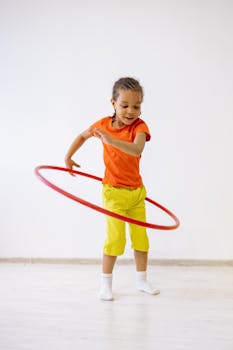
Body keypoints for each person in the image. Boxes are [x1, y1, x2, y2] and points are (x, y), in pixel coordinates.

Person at [65, 77, 160, 301]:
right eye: (124, 105)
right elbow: (82, 135)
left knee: (141, 239)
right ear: (113, 103)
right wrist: (69, 156)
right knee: (115, 240)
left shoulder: (140, 127)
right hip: (113, 192)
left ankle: (141, 280)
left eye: (136, 106)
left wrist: (109, 140)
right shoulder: (103, 125)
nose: (131, 111)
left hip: (136, 193)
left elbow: (136, 150)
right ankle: (105, 284)